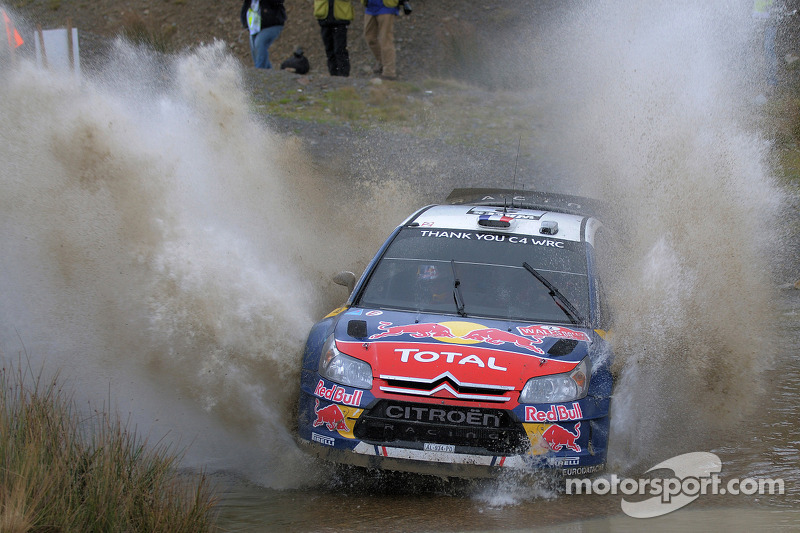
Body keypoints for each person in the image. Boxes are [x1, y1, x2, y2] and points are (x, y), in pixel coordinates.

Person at [240, 0, 287, 69]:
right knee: (255, 50)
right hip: (254, 27)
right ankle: (268, 73)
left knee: (259, 43)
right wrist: (245, 22)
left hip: (273, 25)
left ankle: (259, 70)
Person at [315, 0, 354, 77]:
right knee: (329, 49)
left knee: (340, 49)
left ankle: (343, 75)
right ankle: (333, 75)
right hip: (324, 16)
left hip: (340, 17)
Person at [362, 0, 399, 80]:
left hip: (386, 6)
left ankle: (389, 72)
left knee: (385, 39)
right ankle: (382, 62)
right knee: (369, 37)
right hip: (370, 6)